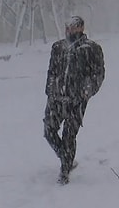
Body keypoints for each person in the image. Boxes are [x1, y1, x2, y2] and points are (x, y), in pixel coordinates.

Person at [43, 16, 105, 184]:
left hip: (76, 100)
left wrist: (87, 91)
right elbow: (52, 71)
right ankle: (67, 158)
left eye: (73, 27)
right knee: (49, 131)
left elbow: (98, 74)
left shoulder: (91, 49)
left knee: (69, 135)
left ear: (81, 28)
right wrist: (50, 91)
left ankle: (64, 171)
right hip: (56, 98)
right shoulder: (58, 48)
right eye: (68, 27)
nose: (69, 30)